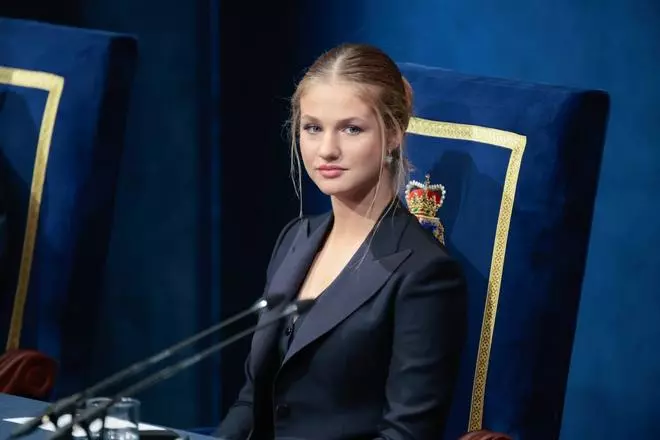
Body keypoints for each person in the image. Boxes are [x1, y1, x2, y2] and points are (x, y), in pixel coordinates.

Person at [215, 43, 467, 440]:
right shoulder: (296, 237)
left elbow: (406, 434)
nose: (327, 150)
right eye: (313, 127)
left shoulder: (425, 274)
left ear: (393, 136)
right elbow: (253, 399)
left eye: (351, 129)